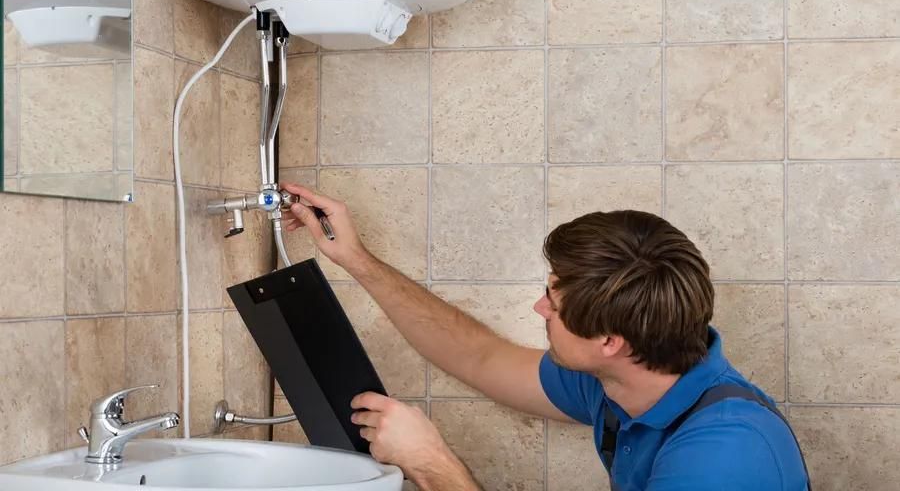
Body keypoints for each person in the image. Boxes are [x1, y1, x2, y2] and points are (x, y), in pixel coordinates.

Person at [282, 183, 811, 491]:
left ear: (610, 341)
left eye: (552, 303)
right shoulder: (620, 382)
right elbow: (477, 356)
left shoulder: (721, 457)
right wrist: (355, 259)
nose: (539, 308)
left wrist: (430, 462)